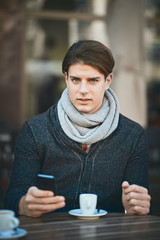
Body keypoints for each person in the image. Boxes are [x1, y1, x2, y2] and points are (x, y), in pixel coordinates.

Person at [5, 40, 151, 217]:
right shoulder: (34, 131)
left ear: (108, 80)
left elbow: (137, 203)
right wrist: (24, 204)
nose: (83, 90)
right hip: (50, 234)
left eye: (93, 80)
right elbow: (12, 197)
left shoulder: (132, 135)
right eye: (75, 80)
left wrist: (133, 207)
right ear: (66, 78)